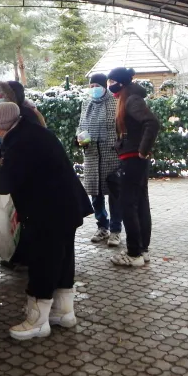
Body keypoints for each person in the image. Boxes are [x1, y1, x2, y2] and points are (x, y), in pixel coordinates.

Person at [0, 103, 93, 341]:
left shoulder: (23, 142)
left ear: (5, 126)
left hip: (50, 209)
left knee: (43, 261)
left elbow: (5, 182)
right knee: (61, 258)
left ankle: (37, 321)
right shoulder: (25, 131)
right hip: (64, 205)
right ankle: (63, 311)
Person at [0, 81, 46, 271]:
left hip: (33, 183)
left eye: (4, 96)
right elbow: (0, 146)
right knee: (17, 218)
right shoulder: (8, 121)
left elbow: (6, 175)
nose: (0, 100)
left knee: (26, 220)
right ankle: (20, 256)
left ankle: (26, 260)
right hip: (22, 178)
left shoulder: (26, 118)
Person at [106, 67, 160, 267]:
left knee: (129, 205)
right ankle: (142, 251)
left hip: (133, 160)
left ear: (121, 82)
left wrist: (142, 150)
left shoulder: (131, 100)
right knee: (140, 204)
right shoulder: (127, 98)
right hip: (134, 159)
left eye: (112, 82)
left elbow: (152, 123)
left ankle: (134, 253)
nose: (110, 86)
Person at [77, 73, 122, 247]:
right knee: (96, 194)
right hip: (91, 154)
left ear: (104, 86)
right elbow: (81, 125)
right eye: (91, 85)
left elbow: (120, 127)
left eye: (97, 85)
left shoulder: (115, 102)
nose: (93, 88)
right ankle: (102, 226)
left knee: (115, 194)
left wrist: (118, 144)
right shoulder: (86, 103)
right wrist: (79, 138)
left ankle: (116, 229)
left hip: (111, 155)